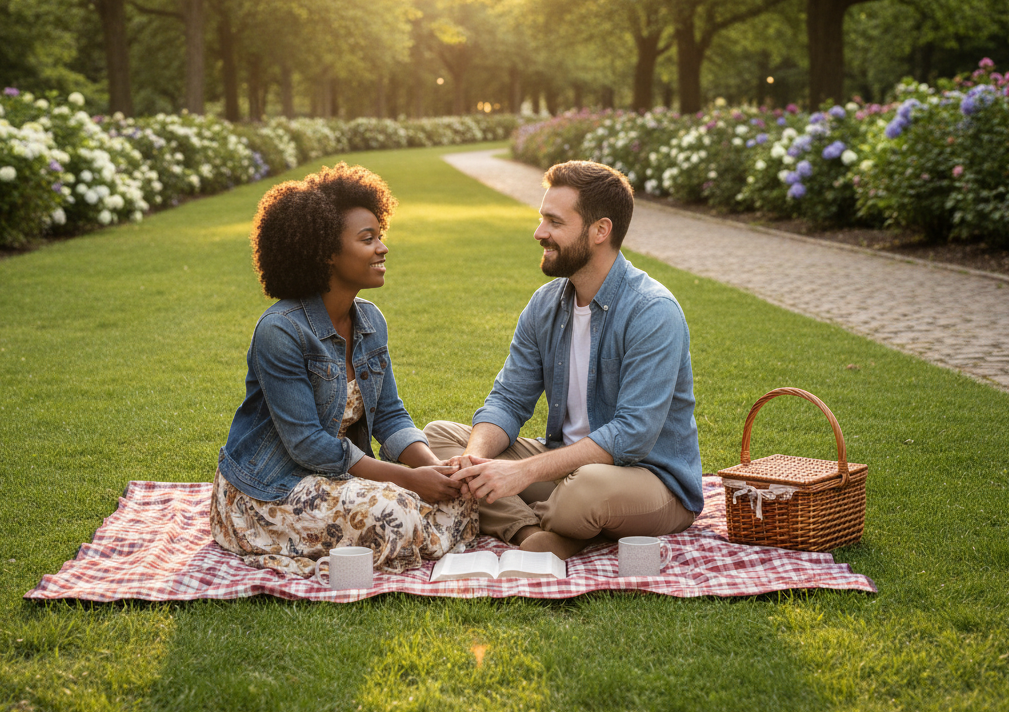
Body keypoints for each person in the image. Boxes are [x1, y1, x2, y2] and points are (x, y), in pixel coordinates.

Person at [426, 160, 703, 560]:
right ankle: (532, 534)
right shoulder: (545, 305)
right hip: (564, 470)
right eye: (542, 219)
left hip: (648, 481)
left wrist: (521, 473)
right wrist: (477, 458)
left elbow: (633, 433)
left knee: (586, 490)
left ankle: (536, 516)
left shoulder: (652, 311)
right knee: (439, 440)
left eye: (554, 222)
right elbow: (508, 399)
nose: (540, 233)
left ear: (600, 231)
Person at [211, 163, 476, 577]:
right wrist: (407, 481)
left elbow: (389, 415)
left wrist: (430, 469)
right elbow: (308, 446)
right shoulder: (280, 330)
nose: (383, 248)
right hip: (273, 489)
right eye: (367, 239)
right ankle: (413, 536)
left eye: (380, 236)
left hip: (336, 479)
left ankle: (407, 533)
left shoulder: (370, 321)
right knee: (397, 509)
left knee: (458, 496)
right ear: (327, 254)